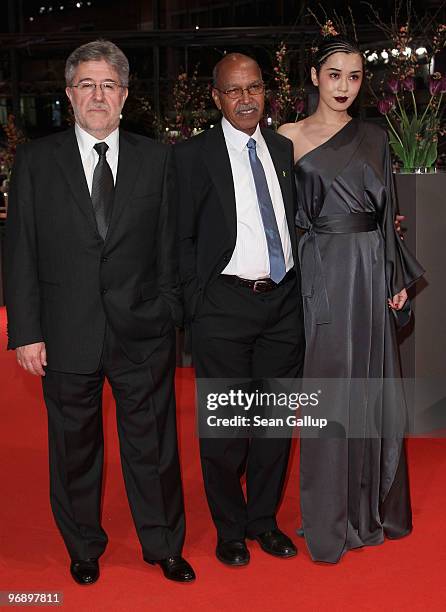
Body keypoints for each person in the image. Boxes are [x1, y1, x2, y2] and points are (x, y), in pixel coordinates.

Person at [4, 40, 195, 584]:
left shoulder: (158, 160)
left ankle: (163, 544)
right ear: (68, 94)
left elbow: (170, 247)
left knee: (153, 444)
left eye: (108, 84)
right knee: (73, 448)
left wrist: (167, 311)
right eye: (85, 84)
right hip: (65, 331)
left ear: (125, 95)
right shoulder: (37, 162)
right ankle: (83, 545)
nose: (97, 94)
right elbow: (20, 251)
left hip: (143, 329)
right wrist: (27, 331)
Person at [278, 36, 424, 563]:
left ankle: (369, 511)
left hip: (369, 269)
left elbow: (388, 217)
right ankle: (327, 516)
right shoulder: (287, 138)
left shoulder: (375, 136)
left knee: (370, 390)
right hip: (322, 270)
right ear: (315, 76)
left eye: (355, 77)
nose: (344, 86)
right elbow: (278, 217)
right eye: (334, 74)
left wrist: (396, 276)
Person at [174, 53, 305, 566]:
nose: (246, 98)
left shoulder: (281, 148)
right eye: (234, 90)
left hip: (283, 303)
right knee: (226, 427)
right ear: (216, 97)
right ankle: (230, 528)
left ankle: (264, 521)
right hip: (223, 306)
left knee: (275, 424)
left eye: (253, 88)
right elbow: (180, 238)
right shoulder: (190, 157)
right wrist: (197, 306)